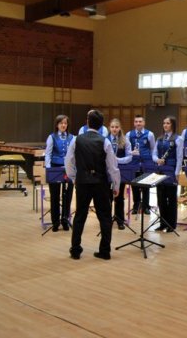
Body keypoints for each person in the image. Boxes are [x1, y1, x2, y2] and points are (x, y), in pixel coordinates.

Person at [65, 110, 120, 260]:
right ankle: (105, 251)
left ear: (87, 122)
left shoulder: (76, 140)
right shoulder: (105, 141)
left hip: (83, 182)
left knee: (80, 216)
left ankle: (75, 250)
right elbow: (113, 167)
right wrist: (116, 185)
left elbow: (68, 161)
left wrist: (73, 177)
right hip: (100, 183)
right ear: (102, 125)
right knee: (105, 217)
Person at [152, 116, 184, 232]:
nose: (165, 125)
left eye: (168, 123)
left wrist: (177, 173)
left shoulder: (178, 139)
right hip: (160, 170)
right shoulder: (160, 138)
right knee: (161, 198)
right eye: (164, 123)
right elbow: (154, 154)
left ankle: (171, 224)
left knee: (171, 199)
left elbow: (179, 157)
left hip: (171, 170)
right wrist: (157, 160)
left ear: (173, 125)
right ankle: (163, 223)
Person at [44, 115, 74, 232]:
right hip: (55, 169)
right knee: (55, 196)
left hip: (69, 169)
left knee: (67, 196)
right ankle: (55, 222)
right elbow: (48, 154)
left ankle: (65, 220)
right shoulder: (52, 137)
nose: (63, 125)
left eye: (65, 123)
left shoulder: (72, 137)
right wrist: (49, 169)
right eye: (61, 123)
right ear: (57, 125)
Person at [125, 114, 155, 215]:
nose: (138, 123)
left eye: (140, 121)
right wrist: (131, 153)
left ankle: (146, 206)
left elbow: (153, 149)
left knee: (146, 185)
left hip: (146, 163)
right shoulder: (129, 134)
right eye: (136, 121)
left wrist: (151, 161)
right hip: (134, 163)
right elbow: (127, 150)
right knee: (134, 185)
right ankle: (136, 206)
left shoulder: (150, 134)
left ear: (144, 123)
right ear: (134, 123)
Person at [107, 118, 132, 230]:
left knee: (119, 197)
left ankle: (120, 220)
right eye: (112, 127)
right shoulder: (105, 139)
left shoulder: (125, 140)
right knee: (108, 197)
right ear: (109, 128)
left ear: (120, 128)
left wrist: (117, 160)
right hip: (107, 172)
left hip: (120, 172)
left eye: (116, 127)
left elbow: (129, 157)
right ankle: (107, 220)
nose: (114, 129)